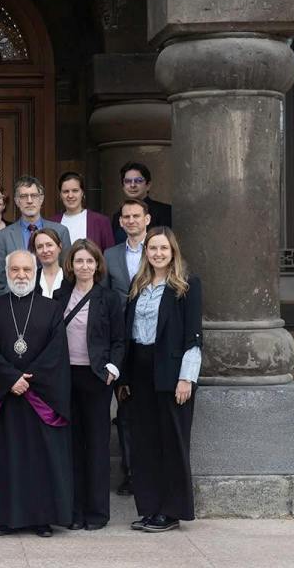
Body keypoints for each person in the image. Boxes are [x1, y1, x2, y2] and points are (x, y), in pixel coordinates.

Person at [0, 250, 73, 537]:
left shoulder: (51, 308)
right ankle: (5, 518)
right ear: (6, 273)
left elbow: (56, 351)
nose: (21, 275)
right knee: (5, 460)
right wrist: (11, 379)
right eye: (15, 270)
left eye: (26, 270)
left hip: (40, 398)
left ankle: (41, 519)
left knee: (39, 461)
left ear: (35, 271)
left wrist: (27, 380)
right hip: (4, 399)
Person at [118, 226, 202, 533]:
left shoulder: (186, 285)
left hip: (171, 374)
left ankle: (172, 511)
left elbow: (194, 336)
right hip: (140, 374)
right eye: (152, 248)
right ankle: (150, 508)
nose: (158, 253)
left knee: (172, 443)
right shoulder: (138, 284)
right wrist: (124, 376)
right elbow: (128, 333)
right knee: (145, 444)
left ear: (173, 251)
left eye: (163, 248)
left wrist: (186, 379)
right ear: (146, 252)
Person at [55, 239, 124, 531]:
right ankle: (73, 510)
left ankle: (97, 513)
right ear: (71, 265)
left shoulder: (109, 298)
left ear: (97, 265)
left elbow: (119, 339)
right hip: (66, 376)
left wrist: (113, 368)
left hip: (96, 378)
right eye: (79, 261)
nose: (84, 266)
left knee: (96, 445)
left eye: (89, 261)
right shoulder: (60, 296)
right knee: (71, 445)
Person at [103, 199, 151, 496]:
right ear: (120, 222)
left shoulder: (158, 249)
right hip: (122, 340)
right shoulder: (110, 255)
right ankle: (130, 472)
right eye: (126, 217)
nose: (131, 221)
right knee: (125, 408)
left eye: (136, 216)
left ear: (147, 219)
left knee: (150, 407)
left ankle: (151, 470)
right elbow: (105, 297)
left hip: (150, 340)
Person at [0, 176, 71, 295]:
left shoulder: (60, 231)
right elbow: (1, 282)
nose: (29, 201)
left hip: (53, 298)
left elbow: (67, 272)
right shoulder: (3, 237)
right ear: (17, 201)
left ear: (41, 199)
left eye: (34, 196)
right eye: (24, 196)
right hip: (17, 300)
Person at [49, 171, 115, 251]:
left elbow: (110, 255)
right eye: (66, 191)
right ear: (60, 195)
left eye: (75, 190)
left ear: (82, 193)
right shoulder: (51, 223)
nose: (70, 195)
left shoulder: (101, 222)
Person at [111, 162, 172, 244]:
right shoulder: (117, 216)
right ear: (123, 186)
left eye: (138, 181)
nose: (132, 185)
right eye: (127, 181)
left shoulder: (165, 211)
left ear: (148, 185)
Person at [29, 228, 65, 299]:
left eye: (49, 245)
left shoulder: (71, 278)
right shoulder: (30, 279)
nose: (45, 250)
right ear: (35, 252)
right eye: (40, 247)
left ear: (59, 247)